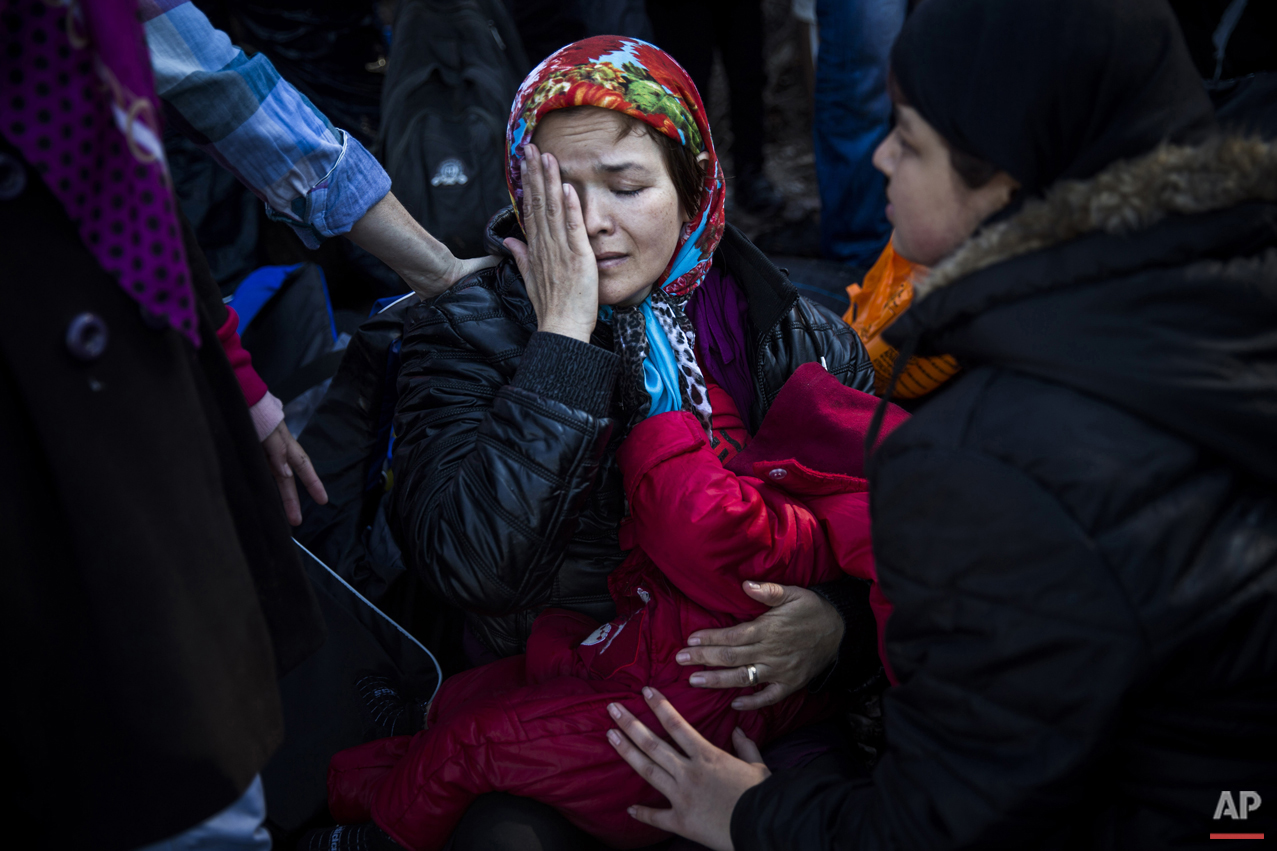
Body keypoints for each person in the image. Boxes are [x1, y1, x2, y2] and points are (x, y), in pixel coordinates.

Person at [606, 0, 1277, 848]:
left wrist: (750, 813)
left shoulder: (987, 457)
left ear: (1005, 176)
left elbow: (948, 820)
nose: (880, 156)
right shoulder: (1227, 284)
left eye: (910, 138)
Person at [0, 2, 492, 849]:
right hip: (53, 394)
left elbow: (209, 106)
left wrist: (235, 374)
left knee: (204, 713)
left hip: (139, 350)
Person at [372, 35, 878, 849]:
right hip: (548, 704)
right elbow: (471, 570)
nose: (593, 224)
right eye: (558, 194)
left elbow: (893, 539)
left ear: (693, 189)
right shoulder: (467, 331)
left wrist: (835, 624)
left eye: (626, 185)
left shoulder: (790, 333)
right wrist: (563, 345)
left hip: (762, 709)